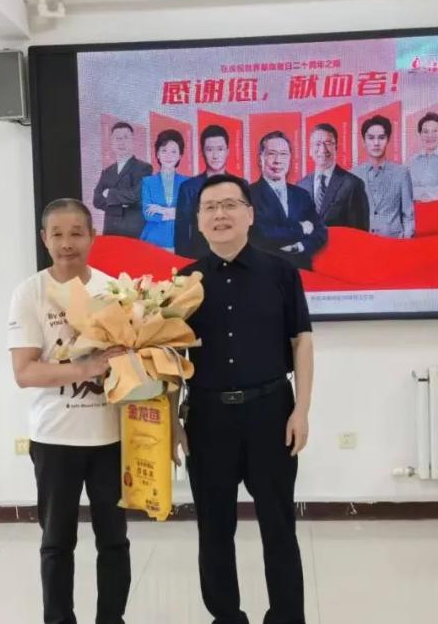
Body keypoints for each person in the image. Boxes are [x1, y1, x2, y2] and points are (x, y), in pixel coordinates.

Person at [174, 174, 314, 624]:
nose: (220, 214)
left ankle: (287, 616)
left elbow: (301, 342)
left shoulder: (281, 273)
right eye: (210, 207)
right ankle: (226, 616)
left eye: (230, 205)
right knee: (214, 528)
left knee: (279, 525)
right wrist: (172, 421)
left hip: (270, 412)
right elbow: (169, 356)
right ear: (198, 219)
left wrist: (301, 410)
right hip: (207, 417)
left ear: (250, 215)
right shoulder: (183, 282)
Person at [8, 198, 130, 624]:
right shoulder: (30, 293)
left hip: (111, 438)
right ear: (44, 239)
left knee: (114, 541)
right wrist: (86, 368)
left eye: (76, 233)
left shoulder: (114, 291)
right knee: (57, 543)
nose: (67, 243)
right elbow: (24, 372)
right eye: (57, 234)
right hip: (55, 438)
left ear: (92, 236)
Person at [249, 131, 327, 269]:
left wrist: (301, 246)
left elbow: (321, 231)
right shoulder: (248, 194)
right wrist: (302, 228)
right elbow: (260, 234)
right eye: (271, 153)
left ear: (290, 159)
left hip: (301, 271)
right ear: (261, 158)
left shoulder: (301, 195)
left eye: (284, 154)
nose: (278, 160)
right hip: (265, 271)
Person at [174, 124, 245, 259]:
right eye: (209, 149)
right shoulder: (188, 188)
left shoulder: (241, 185)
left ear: (227, 151)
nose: (215, 155)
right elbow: (181, 234)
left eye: (220, 149)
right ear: (202, 152)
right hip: (201, 259)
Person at [296, 123, 370, 230]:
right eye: (317, 144)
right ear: (310, 150)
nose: (323, 149)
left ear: (336, 147)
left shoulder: (353, 184)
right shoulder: (301, 186)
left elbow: (360, 233)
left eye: (328, 143)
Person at [351, 115, 415, 238]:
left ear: (388, 140)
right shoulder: (353, 175)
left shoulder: (401, 173)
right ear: (364, 141)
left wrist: (406, 244)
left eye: (381, 138)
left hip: (394, 243)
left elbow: (409, 215)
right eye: (371, 138)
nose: (376, 143)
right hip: (363, 242)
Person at [92, 122, 153, 238]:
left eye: (125, 137)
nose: (121, 142)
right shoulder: (107, 171)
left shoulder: (144, 168)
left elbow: (136, 196)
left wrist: (109, 193)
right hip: (110, 230)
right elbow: (97, 200)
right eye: (117, 138)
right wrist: (123, 203)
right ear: (112, 142)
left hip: (133, 230)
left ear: (133, 141)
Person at [140, 129, 189, 251]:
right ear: (157, 154)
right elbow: (148, 214)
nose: (168, 156)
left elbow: (189, 214)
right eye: (164, 150)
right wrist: (176, 212)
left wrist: (161, 210)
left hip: (180, 241)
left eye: (173, 151)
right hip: (152, 241)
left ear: (180, 155)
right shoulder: (147, 182)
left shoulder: (187, 183)